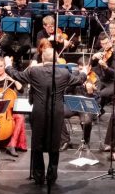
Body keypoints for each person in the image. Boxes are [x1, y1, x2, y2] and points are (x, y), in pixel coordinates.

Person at [5, 48, 86, 185]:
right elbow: (79, 80)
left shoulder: (34, 71)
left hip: (39, 113)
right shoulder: (64, 73)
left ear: (42, 58)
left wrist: (7, 65)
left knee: (37, 145)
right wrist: (84, 72)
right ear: (56, 59)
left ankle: (38, 176)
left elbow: (17, 75)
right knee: (54, 146)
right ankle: (52, 177)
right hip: (56, 113)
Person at [89, 33, 115, 112]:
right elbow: (91, 66)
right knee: (91, 90)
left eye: (106, 43)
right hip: (103, 80)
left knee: (100, 94)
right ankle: (97, 111)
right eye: (102, 44)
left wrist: (105, 67)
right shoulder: (102, 50)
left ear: (111, 41)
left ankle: (97, 110)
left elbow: (114, 73)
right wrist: (93, 57)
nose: (104, 46)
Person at [0, 0, 32, 67]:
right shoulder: (11, 7)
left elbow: (24, 18)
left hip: (23, 33)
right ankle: (16, 58)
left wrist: (10, 13)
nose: (22, 1)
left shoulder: (29, 8)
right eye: (20, 0)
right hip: (11, 32)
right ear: (15, 0)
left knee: (27, 45)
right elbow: (2, 20)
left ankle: (15, 59)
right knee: (3, 44)